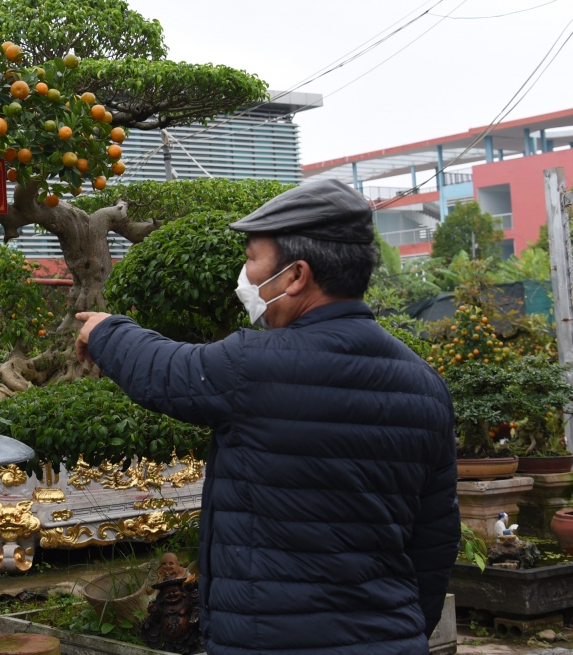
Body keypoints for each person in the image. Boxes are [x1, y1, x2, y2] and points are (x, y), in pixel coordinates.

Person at [76, 179, 459, 655]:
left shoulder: (251, 365)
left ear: (296, 276)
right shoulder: (425, 384)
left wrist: (106, 330)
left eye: (253, 258)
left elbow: (167, 371)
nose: (245, 274)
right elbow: (436, 543)